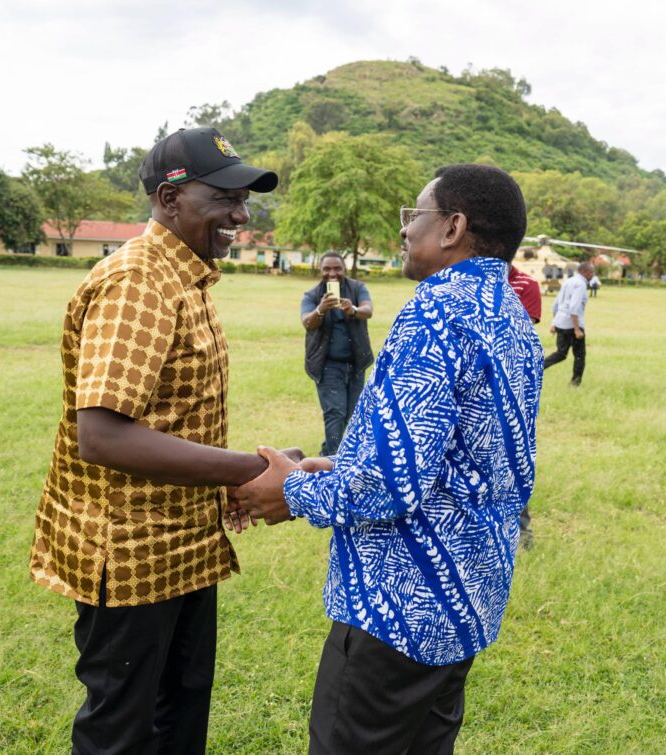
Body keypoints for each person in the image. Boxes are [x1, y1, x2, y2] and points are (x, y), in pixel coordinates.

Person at [233, 164, 544, 753]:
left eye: (413, 215)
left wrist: (291, 491)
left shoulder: (437, 313)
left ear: (452, 227)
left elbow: (389, 484)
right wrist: (337, 463)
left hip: (400, 607)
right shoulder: (510, 317)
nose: (404, 229)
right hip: (469, 597)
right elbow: (471, 457)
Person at [29, 127, 280, 755]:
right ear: (170, 199)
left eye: (243, 200)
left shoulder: (185, 278)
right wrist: (249, 469)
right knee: (122, 726)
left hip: (186, 542)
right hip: (131, 550)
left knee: (182, 705)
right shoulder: (138, 282)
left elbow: (174, 417)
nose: (241, 216)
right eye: (225, 198)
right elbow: (103, 436)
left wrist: (239, 472)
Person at [301, 252, 373, 455]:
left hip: (356, 364)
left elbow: (368, 310)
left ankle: (328, 453)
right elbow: (307, 322)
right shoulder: (312, 295)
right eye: (327, 269)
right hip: (328, 366)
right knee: (335, 413)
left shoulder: (357, 288)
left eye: (337, 269)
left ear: (344, 269)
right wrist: (320, 310)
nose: (332, 273)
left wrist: (353, 310)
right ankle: (333, 461)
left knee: (353, 414)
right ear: (320, 270)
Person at [508, 264, 542, 547]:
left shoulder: (525, 284)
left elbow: (520, 333)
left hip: (510, 387)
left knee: (513, 459)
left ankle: (522, 531)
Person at [544, 261, 594, 386]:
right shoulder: (580, 284)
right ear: (585, 272)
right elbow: (574, 307)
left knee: (561, 353)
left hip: (560, 323)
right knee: (579, 355)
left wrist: (554, 323)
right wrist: (577, 329)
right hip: (572, 325)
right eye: (591, 272)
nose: (593, 275)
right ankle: (575, 384)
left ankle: (536, 368)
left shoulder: (568, 281)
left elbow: (556, 304)